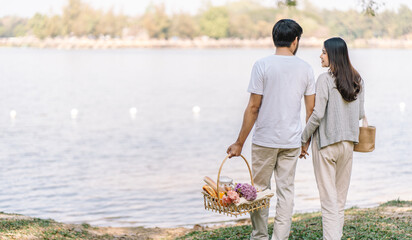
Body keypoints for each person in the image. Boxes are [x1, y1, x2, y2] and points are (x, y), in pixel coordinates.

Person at [226, 19, 316, 240]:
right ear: (295, 41)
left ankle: (259, 236)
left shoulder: (262, 65)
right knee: (286, 192)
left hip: (264, 140)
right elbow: (311, 110)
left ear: (275, 39)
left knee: (258, 191)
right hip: (291, 141)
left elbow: (253, 107)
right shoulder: (305, 68)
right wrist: (306, 142)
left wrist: (239, 142)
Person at [300, 37, 365, 240]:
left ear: (333, 55)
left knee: (328, 203)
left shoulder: (325, 79)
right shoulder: (358, 80)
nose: (320, 56)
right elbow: (361, 112)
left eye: (323, 52)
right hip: (348, 146)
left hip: (326, 145)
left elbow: (317, 115)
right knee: (339, 202)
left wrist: (303, 138)